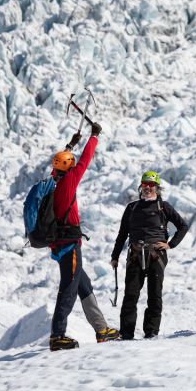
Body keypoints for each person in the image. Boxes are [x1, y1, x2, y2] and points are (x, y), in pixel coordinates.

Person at [47, 124, 121, 351]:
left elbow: (63, 161)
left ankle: (101, 330)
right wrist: (94, 137)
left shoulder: (53, 183)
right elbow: (84, 161)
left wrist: (70, 145)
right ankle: (57, 336)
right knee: (68, 289)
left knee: (84, 286)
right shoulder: (68, 182)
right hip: (69, 246)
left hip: (60, 245)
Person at [110, 170, 188, 339]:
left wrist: (170, 244)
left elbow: (183, 226)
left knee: (155, 294)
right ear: (140, 187)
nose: (147, 188)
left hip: (156, 255)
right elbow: (122, 233)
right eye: (145, 185)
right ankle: (126, 333)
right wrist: (115, 256)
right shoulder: (132, 208)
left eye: (151, 185)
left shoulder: (163, 207)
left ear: (157, 188)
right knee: (130, 294)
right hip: (135, 254)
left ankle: (151, 331)